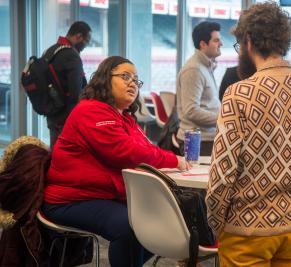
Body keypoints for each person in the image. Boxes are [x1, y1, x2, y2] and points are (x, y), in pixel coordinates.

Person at [206, 2, 291, 267]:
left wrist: (216, 225)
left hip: (247, 231)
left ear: (248, 41)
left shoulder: (239, 93)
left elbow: (223, 173)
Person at [41, 56, 190, 267]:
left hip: (102, 195)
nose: (132, 83)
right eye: (125, 76)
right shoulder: (91, 110)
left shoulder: (125, 118)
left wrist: (167, 160)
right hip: (71, 199)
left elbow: (145, 149)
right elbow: (124, 152)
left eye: (136, 80)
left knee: (161, 218)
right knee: (131, 226)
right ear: (104, 79)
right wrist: (173, 159)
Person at [176, 21, 222, 156]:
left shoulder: (205, 67)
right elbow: (191, 111)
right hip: (199, 141)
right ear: (203, 44)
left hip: (205, 139)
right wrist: (223, 119)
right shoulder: (194, 70)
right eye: (216, 40)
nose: (221, 44)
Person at [45, 21, 91, 148]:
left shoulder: (51, 50)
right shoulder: (71, 55)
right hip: (66, 116)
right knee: (65, 153)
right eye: (86, 40)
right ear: (78, 36)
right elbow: (76, 93)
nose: (86, 45)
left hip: (52, 111)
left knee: (55, 150)